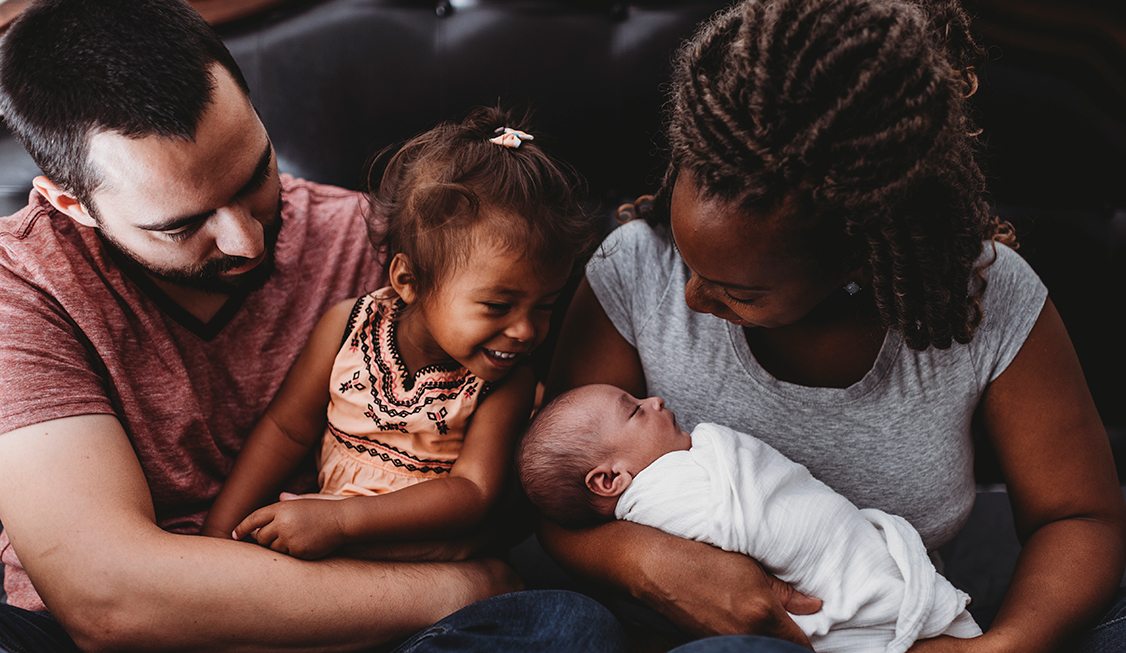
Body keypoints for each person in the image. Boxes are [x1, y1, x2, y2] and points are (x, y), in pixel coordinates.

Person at [0, 1, 628, 651]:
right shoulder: (23, 287)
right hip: (112, 633)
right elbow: (108, 600)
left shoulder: (389, 241)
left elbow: (495, 498)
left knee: (567, 627)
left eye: (256, 175)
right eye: (183, 225)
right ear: (70, 201)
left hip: (351, 607)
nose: (247, 241)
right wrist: (467, 586)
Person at [541, 0, 1126, 651]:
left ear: (858, 252)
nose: (691, 297)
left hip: (893, 630)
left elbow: (1077, 516)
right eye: (690, 262)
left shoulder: (983, 297)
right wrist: (653, 566)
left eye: (739, 291)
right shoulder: (636, 265)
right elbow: (551, 494)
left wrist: (999, 647)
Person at [201, 108, 597, 562]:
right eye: (497, 306)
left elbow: (473, 492)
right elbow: (285, 429)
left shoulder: (506, 382)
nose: (526, 331)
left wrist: (340, 521)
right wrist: (218, 533)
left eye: (545, 306)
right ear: (409, 281)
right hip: (320, 538)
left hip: (422, 559)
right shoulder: (348, 326)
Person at [518, 383, 982, 653]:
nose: (655, 401)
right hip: (817, 603)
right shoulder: (661, 496)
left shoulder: (669, 467)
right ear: (609, 480)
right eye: (636, 410)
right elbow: (736, 527)